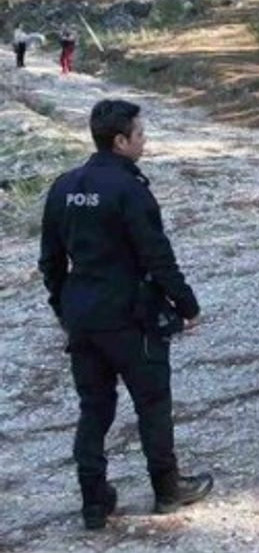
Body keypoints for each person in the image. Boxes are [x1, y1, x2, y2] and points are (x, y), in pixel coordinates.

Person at [38, 99, 213, 530]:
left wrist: (65, 306)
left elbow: (50, 260)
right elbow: (157, 255)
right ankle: (167, 490)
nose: (145, 139)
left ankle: (94, 501)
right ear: (120, 141)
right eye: (139, 134)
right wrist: (187, 305)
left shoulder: (63, 186)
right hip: (131, 317)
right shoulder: (131, 190)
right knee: (153, 403)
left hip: (83, 317)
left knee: (93, 407)